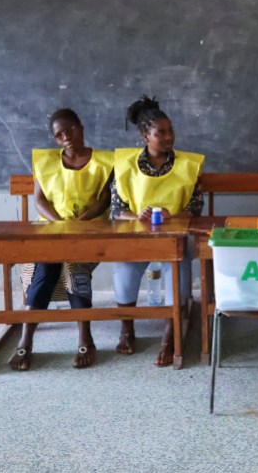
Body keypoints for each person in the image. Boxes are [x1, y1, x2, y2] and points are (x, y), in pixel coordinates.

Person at [9, 108, 114, 371]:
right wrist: (60, 225)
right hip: (51, 231)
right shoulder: (46, 162)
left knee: (73, 265)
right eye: (59, 134)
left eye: (70, 129)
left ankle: (85, 339)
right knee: (43, 267)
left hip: (89, 232)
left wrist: (78, 225)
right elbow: (39, 199)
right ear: (55, 139)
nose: (65, 136)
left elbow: (104, 200)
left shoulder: (105, 161)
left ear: (81, 127)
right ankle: (25, 341)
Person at [111, 95, 204, 367]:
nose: (168, 137)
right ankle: (127, 329)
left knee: (178, 262)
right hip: (137, 236)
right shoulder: (125, 165)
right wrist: (135, 215)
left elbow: (195, 207)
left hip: (174, 237)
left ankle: (170, 333)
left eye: (170, 130)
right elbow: (116, 209)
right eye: (160, 132)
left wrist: (171, 215)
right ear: (144, 135)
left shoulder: (187, 165)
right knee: (125, 267)